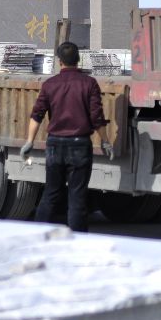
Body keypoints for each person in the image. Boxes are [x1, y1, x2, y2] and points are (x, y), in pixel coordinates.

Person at [21, 40, 113, 232]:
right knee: (77, 198)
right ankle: (77, 240)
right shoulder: (89, 83)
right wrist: (105, 141)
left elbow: (37, 115)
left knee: (51, 194)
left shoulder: (49, 85)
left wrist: (29, 141)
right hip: (80, 145)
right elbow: (96, 118)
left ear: (59, 61)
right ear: (78, 59)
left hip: (55, 146)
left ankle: (37, 235)